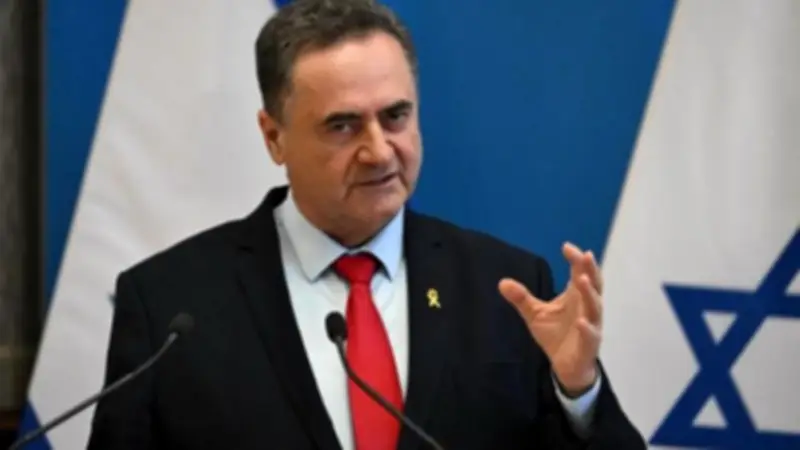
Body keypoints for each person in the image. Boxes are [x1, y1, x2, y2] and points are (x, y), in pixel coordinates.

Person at [87, 0, 646, 448]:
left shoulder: (506, 288)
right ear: (274, 136)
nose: (379, 151)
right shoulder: (169, 307)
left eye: (396, 116)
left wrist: (578, 391)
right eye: (343, 126)